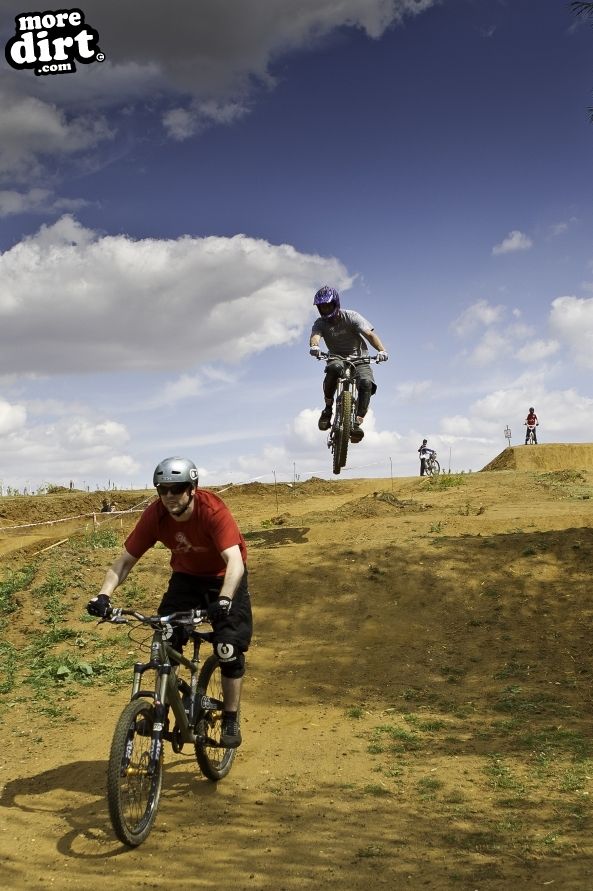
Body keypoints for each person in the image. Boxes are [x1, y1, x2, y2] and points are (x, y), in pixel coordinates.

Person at [86, 456, 252, 749]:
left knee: (227, 649)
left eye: (177, 489)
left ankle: (230, 717)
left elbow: (235, 561)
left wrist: (225, 599)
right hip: (186, 578)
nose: (169, 495)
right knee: (165, 639)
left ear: (192, 489)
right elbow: (124, 562)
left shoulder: (212, 510)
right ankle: (162, 707)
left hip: (224, 577)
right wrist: (103, 595)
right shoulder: (155, 516)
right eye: (163, 489)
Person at [309, 286, 388, 443]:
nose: (325, 309)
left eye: (328, 306)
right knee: (334, 368)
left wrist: (381, 350)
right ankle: (327, 409)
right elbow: (315, 336)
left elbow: (369, 334)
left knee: (366, 383)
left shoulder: (351, 316)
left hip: (360, 359)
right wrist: (315, 346)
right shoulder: (320, 323)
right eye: (322, 307)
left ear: (335, 304)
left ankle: (357, 423)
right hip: (336, 357)